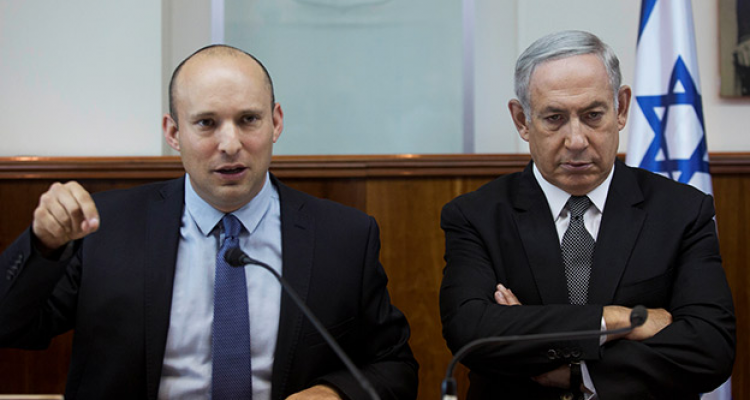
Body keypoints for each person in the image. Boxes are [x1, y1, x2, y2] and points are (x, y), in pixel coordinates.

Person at [0, 45, 418, 400]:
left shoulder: (343, 237)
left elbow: (395, 366)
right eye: (206, 123)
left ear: (276, 122)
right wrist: (42, 245)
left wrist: (334, 393)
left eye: (248, 119)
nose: (230, 144)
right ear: (173, 132)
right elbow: (10, 326)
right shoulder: (104, 227)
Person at [439, 31, 735, 399]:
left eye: (593, 115)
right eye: (554, 118)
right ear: (522, 120)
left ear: (621, 108)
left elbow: (709, 347)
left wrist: (577, 371)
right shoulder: (476, 216)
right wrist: (618, 319)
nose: (576, 140)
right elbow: (471, 332)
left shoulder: (682, 211)